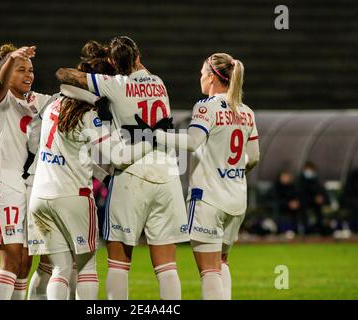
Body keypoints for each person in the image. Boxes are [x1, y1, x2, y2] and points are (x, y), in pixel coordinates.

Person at [56, 36, 189, 300]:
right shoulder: (159, 82)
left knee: (118, 262)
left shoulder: (114, 84)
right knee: (166, 265)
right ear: (139, 57)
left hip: (132, 175)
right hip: (168, 174)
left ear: (113, 64)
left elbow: (63, 76)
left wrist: (95, 93)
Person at [28, 42, 153, 300]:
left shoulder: (53, 106)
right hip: (73, 197)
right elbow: (118, 157)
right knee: (86, 267)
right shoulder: (88, 115)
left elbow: (64, 154)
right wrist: (150, 142)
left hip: (40, 196)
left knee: (60, 268)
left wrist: (103, 177)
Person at [134, 53, 260, 299]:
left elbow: (192, 142)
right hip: (236, 199)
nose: (200, 77)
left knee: (209, 270)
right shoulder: (247, 111)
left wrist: (154, 135)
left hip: (208, 199)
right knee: (221, 262)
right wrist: (231, 173)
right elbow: (253, 157)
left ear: (212, 77)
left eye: (203, 73)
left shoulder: (206, 106)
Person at [0, 44, 51, 300]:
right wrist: (11, 58)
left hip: (22, 187)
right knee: (10, 259)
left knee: (23, 262)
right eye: (21, 70)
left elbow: (62, 102)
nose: (28, 75)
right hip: (0, 184)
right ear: (8, 73)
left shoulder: (35, 101)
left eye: (30, 70)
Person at [298, 161, 330, 234]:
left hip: (315, 203)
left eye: (311, 169)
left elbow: (321, 191)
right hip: (304, 203)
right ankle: (306, 231)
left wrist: (322, 198)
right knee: (304, 212)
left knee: (319, 212)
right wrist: (313, 199)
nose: (310, 172)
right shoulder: (300, 180)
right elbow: (301, 194)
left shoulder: (316, 180)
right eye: (308, 169)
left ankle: (320, 229)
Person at [273, 170, 301, 235]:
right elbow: (276, 199)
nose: (285, 179)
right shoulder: (276, 187)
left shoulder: (293, 187)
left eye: (287, 177)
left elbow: (297, 196)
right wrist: (288, 204)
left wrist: (296, 202)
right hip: (281, 208)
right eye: (284, 177)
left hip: (292, 209)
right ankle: (280, 231)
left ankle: (295, 230)